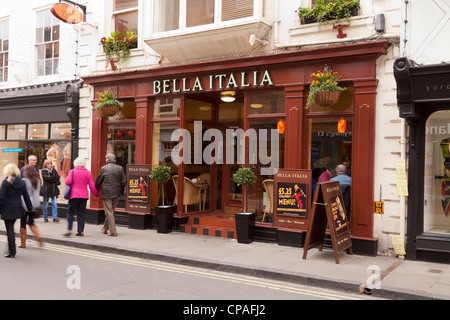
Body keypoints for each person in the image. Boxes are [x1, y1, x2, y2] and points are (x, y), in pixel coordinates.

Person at [0, 164, 33, 258]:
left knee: (9, 230)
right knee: (11, 229)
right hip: (18, 208)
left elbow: (1, 198)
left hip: (7, 208)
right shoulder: (21, 183)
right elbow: (26, 196)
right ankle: (11, 248)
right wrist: (30, 208)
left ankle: (12, 251)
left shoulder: (6, 182)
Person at [64, 157, 99, 237]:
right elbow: (91, 186)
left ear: (75, 164)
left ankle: (69, 230)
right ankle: (81, 231)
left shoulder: (72, 172)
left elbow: (67, 182)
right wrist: (96, 194)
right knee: (81, 213)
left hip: (74, 195)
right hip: (84, 196)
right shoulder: (88, 173)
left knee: (70, 212)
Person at [95, 154, 126, 236]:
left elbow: (98, 181)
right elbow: (124, 181)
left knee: (109, 212)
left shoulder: (104, 168)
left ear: (107, 160)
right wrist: (121, 189)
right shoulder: (120, 168)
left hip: (107, 193)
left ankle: (113, 231)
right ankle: (105, 227)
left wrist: (97, 190)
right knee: (110, 211)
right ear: (115, 160)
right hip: (117, 193)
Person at [19, 165, 44, 248]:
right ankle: (38, 236)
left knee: (22, 223)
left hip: (25, 204)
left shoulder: (24, 181)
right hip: (35, 205)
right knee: (31, 222)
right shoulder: (37, 180)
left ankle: (23, 243)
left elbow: (23, 194)